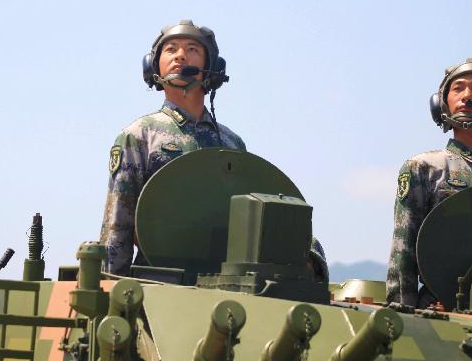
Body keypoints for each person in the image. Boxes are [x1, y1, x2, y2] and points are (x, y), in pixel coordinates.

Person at [99, 19, 327, 280]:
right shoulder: (138, 136)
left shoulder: (231, 143)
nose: (181, 55)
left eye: (193, 49)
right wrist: (111, 290)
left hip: (224, 283)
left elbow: (250, 218)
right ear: (153, 65)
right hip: (157, 281)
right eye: (171, 49)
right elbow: (118, 224)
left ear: (212, 68)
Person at [386, 58, 472, 307]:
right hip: (437, 308)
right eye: (458, 89)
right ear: (442, 103)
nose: (467, 96)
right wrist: (403, 315)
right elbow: (403, 251)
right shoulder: (423, 168)